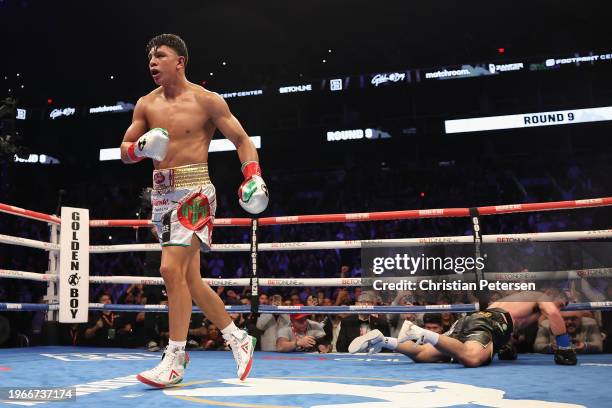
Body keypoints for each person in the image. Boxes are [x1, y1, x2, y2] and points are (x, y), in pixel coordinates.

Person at [120, 33, 269, 387]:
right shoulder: (146, 104)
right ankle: (237, 337)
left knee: (169, 269)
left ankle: (175, 357)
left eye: (160, 56)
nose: (152, 63)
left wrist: (254, 176)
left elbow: (242, 140)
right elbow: (124, 150)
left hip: (196, 191)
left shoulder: (207, 100)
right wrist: (140, 147)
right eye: (150, 58)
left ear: (180, 61)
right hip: (161, 195)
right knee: (190, 280)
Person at [349, 291, 577, 367]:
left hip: (474, 320)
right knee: (472, 358)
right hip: (490, 322)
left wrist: (505, 347)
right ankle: (421, 332)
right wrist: (565, 349)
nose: (560, 309)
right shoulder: (542, 297)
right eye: (563, 303)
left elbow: (505, 330)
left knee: (425, 355)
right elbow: (555, 314)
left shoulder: (517, 301)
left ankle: (384, 340)